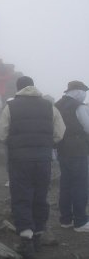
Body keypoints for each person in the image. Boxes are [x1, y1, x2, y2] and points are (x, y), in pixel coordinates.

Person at [0, 76, 65, 258]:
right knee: (40, 196)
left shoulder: (11, 106)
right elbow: (60, 132)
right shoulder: (49, 106)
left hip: (19, 160)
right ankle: (39, 235)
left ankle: (26, 239)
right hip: (43, 159)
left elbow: (1, 133)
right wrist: (47, 144)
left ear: (17, 88)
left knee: (22, 196)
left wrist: (13, 143)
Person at [55, 81, 89, 232]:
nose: (85, 95)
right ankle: (80, 222)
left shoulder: (57, 105)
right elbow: (87, 127)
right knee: (80, 184)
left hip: (62, 149)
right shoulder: (79, 106)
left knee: (66, 185)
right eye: (84, 91)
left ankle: (66, 219)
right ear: (77, 91)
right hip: (78, 150)